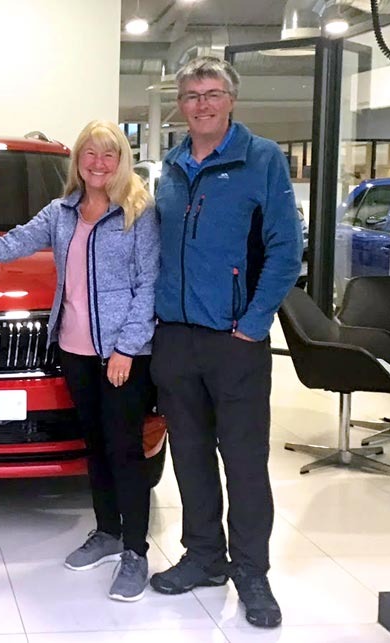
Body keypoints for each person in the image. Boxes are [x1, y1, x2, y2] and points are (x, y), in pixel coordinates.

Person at [0, 120, 159, 602]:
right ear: (78, 161)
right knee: (96, 447)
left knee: (124, 451)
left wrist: (126, 348)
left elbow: (149, 286)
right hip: (74, 351)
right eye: (89, 153)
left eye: (108, 154)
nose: (98, 163)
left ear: (121, 161)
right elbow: (7, 244)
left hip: (121, 356)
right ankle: (107, 533)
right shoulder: (62, 212)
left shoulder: (138, 212)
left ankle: (135, 552)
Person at [149, 56, 302, 628]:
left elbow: (286, 248)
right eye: (192, 96)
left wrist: (255, 322)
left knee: (243, 461)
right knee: (189, 456)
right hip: (175, 338)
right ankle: (204, 557)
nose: (203, 104)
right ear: (180, 105)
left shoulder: (261, 158)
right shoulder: (171, 166)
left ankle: (252, 572)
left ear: (231, 100)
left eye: (213, 93)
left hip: (235, 339)